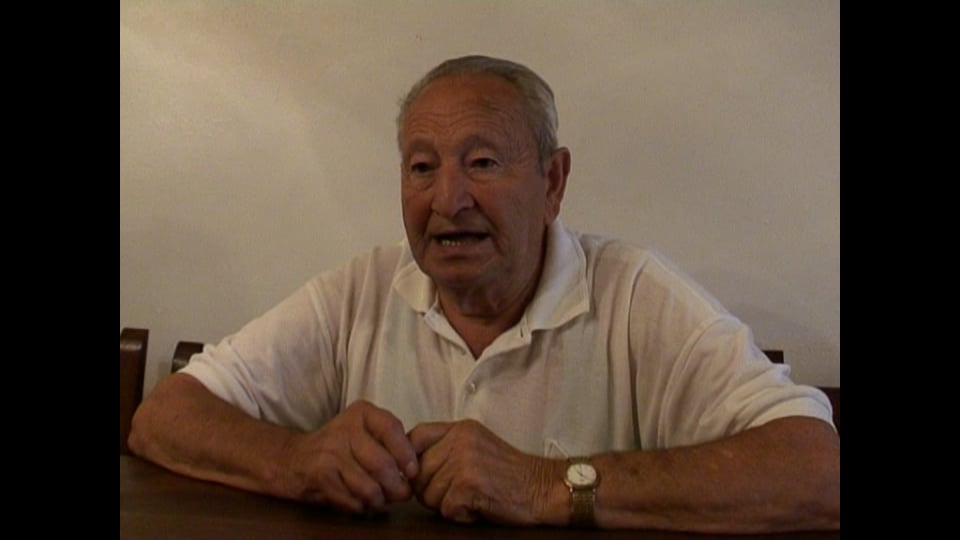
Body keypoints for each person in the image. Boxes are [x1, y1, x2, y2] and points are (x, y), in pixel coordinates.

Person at [129, 55, 840, 532]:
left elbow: (818, 469)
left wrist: (545, 485)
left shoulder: (636, 295)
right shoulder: (361, 290)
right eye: (421, 167)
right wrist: (296, 462)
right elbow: (162, 419)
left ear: (553, 183)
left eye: (483, 162)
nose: (448, 200)